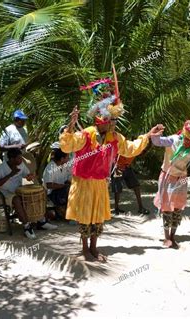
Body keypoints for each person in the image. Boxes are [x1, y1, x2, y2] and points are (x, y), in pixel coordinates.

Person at [60, 73, 162, 262]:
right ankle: (85, 249)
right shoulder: (87, 134)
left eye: (115, 121)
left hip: (99, 183)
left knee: (97, 216)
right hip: (83, 182)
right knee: (84, 216)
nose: (114, 124)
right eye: (112, 121)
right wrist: (71, 126)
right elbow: (67, 145)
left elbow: (131, 149)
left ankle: (93, 248)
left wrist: (147, 135)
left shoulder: (115, 138)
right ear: (102, 121)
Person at [151, 94, 190, 249]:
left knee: (178, 208)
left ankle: (173, 235)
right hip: (166, 177)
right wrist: (156, 133)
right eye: (187, 139)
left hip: (181, 180)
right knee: (167, 207)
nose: (188, 142)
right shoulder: (173, 140)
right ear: (184, 134)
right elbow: (158, 141)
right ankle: (167, 238)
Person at [0, 148, 58, 239]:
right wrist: (10, 175)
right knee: (17, 199)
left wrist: (29, 177)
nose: (21, 160)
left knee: (37, 193)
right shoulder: (1, 168)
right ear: (11, 159)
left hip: (19, 191)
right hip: (5, 194)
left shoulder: (21, 164)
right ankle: (27, 226)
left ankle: (41, 221)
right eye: (18, 158)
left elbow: (27, 175)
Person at [42, 147, 71, 218]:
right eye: (67, 157)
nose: (69, 159)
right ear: (62, 159)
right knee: (68, 190)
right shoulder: (50, 167)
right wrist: (63, 186)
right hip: (52, 194)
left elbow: (67, 178)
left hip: (61, 190)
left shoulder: (64, 166)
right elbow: (49, 185)